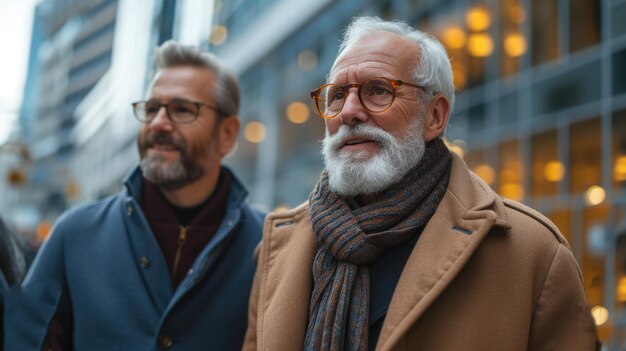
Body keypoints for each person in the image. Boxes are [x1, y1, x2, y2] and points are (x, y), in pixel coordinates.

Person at [243, 16, 598, 351]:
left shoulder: (532, 252)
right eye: (337, 95)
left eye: (378, 90)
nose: (349, 111)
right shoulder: (279, 248)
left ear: (435, 116)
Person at [5, 40, 264, 350]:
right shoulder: (75, 232)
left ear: (227, 134)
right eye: (151, 108)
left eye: (182, 109)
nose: (158, 123)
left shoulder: (268, 245)